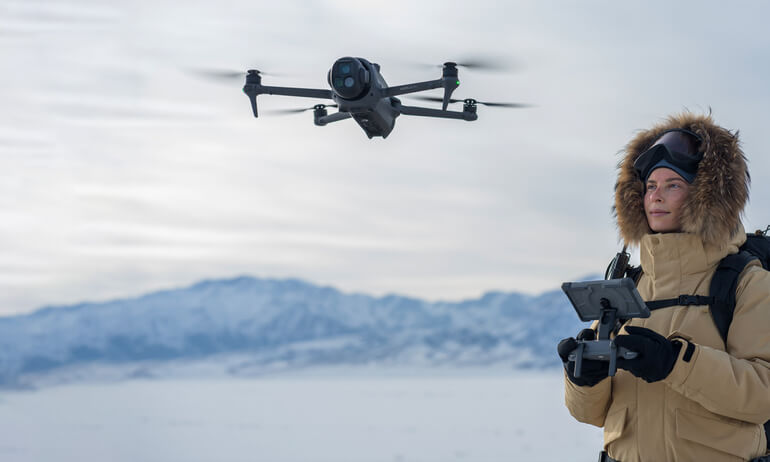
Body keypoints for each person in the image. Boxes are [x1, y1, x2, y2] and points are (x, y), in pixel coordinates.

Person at [557, 112, 770, 462]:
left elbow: (763, 394)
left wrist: (675, 363)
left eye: (673, 185)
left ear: (707, 198)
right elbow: (591, 414)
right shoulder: (630, 286)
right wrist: (582, 378)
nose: (656, 197)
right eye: (651, 187)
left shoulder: (746, 281)